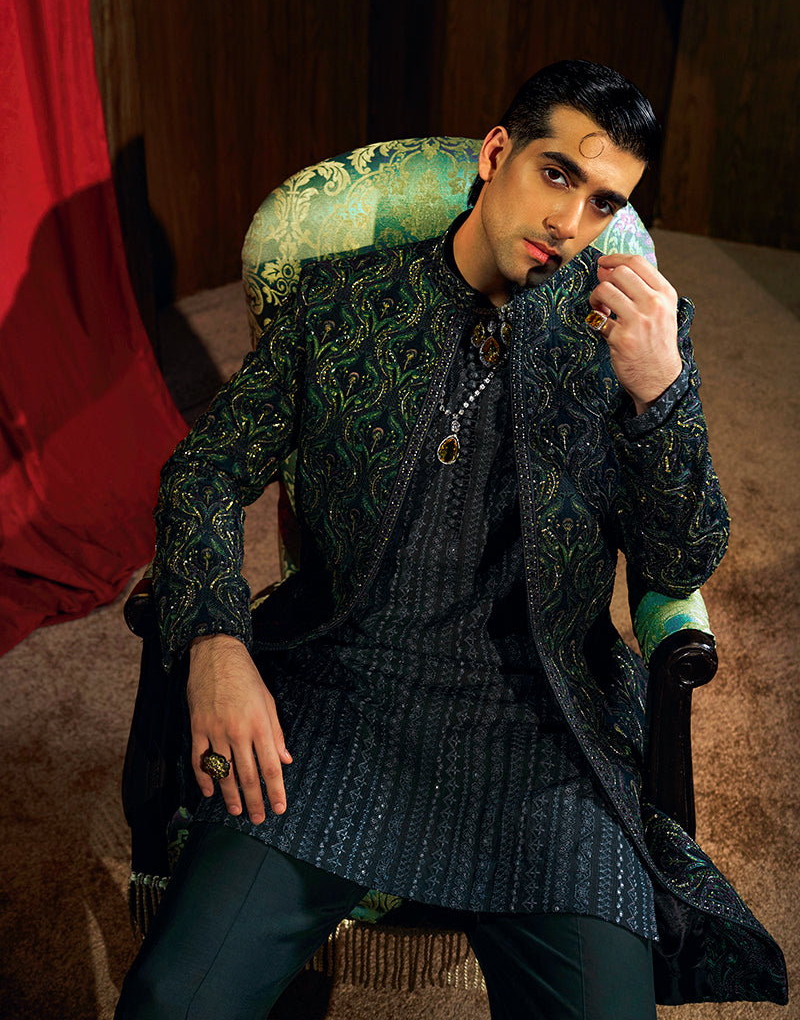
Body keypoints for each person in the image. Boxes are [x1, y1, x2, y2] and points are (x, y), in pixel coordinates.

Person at [116, 61, 786, 1018]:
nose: (571, 222)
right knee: (175, 1001)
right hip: (337, 706)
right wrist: (217, 643)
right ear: (496, 153)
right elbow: (204, 473)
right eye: (557, 174)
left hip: (547, 732)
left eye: (605, 203)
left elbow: (679, 564)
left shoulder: (631, 339)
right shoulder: (341, 304)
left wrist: (660, 395)